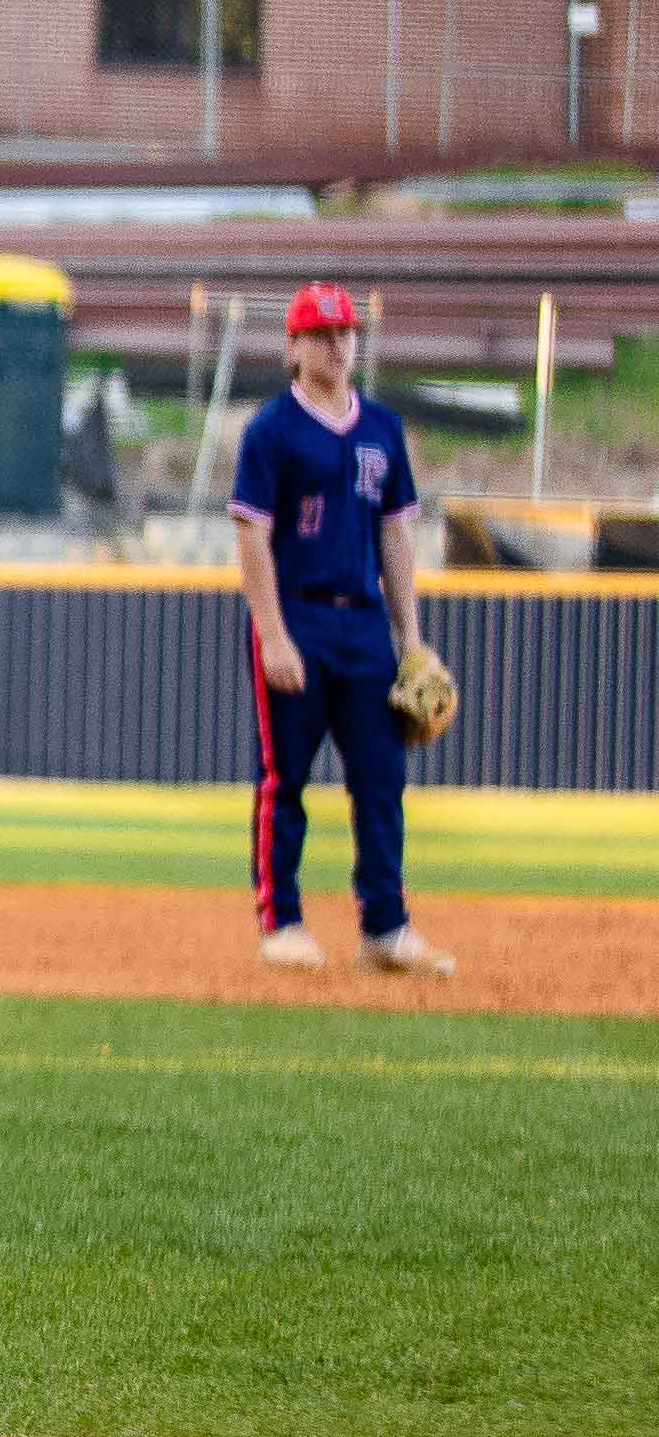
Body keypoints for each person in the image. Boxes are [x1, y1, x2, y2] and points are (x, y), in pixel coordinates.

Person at [228, 281, 453, 976]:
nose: (337, 344)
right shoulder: (272, 429)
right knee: (284, 777)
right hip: (297, 612)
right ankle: (282, 921)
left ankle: (385, 926)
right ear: (292, 346)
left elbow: (395, 537)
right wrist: (272, 633)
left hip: (362, 626)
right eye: (322, 333)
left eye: (345, 332)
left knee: (381, 778)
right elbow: (252, 536)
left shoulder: (382, 429)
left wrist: (410, 636)